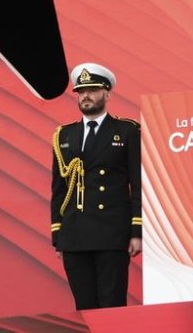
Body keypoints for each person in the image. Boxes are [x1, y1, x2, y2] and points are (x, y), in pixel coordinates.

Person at [50, 62, 142, 310]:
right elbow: (59, 190)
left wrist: (137, 231)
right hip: (74, 235)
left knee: (112, 307)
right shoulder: (63, 135)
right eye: (81, 92)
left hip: (111, 232)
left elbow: (138, 184)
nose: (86, 96)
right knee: (85, 308)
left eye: (91, 90)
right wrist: (58, 236)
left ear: (107, 93)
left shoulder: (126, 131)